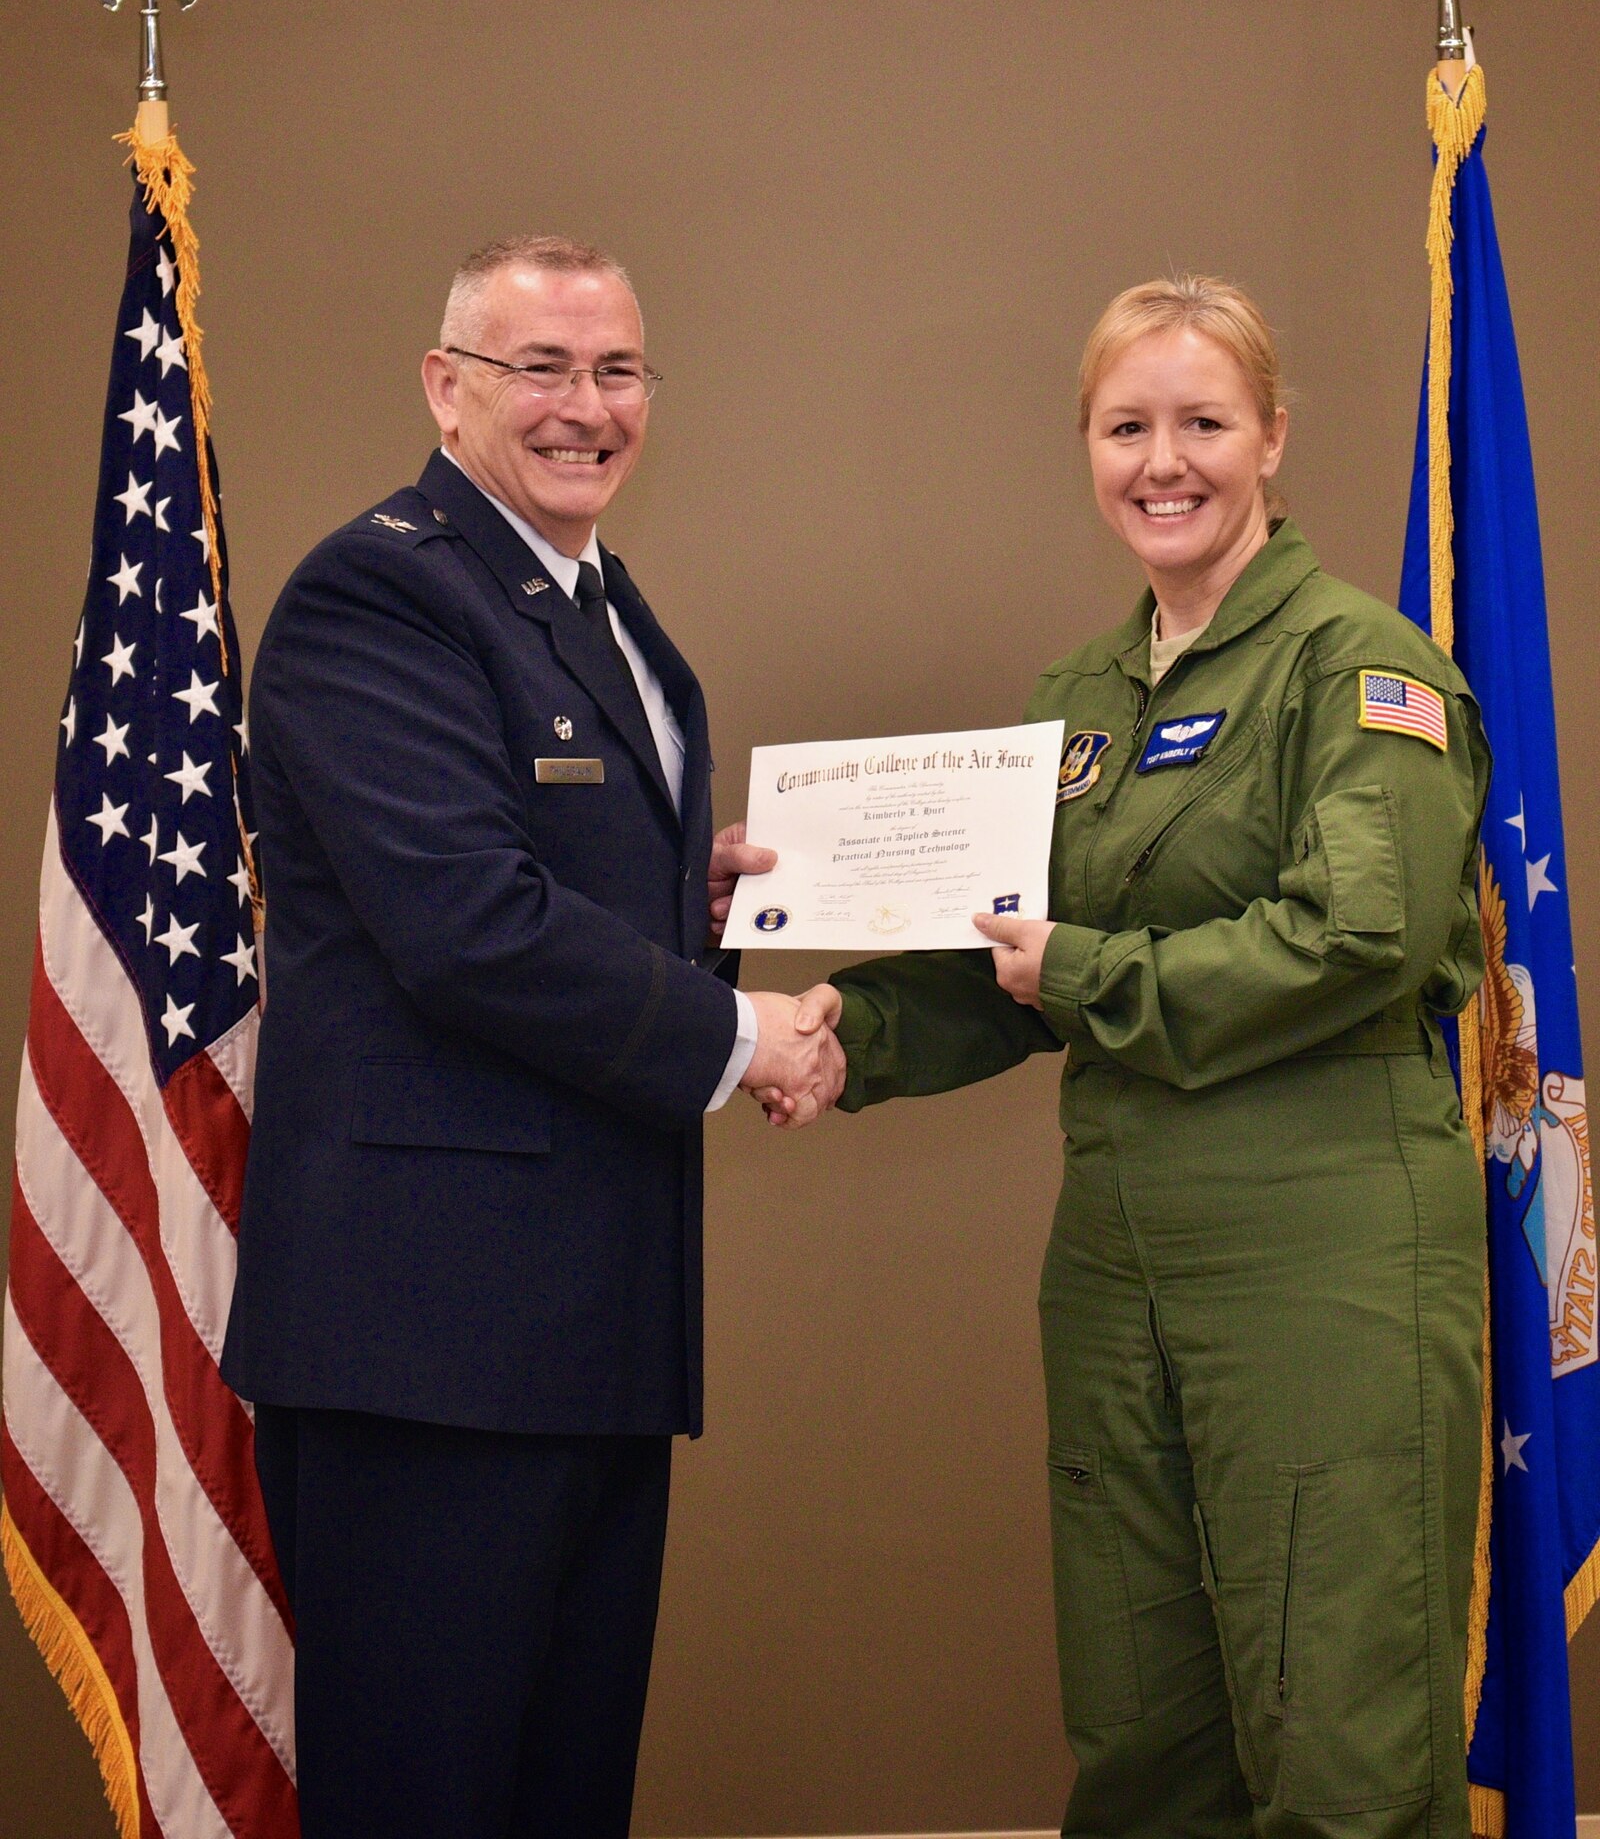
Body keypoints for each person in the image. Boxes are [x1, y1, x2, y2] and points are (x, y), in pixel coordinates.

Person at [773, 277, 1490, 1836]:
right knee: (1141, 1730)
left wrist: (1087, 969)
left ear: (1274, 439)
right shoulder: (1077, 704)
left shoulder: (1362, 671)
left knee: (1343, 1739)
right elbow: (1018, 963)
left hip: (1325, 1254)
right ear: (1089, 448)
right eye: (1127, 427)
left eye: (1204, 423)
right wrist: (853, 1031)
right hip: (1121, 1263)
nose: (1165, 462)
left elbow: (1355, 937)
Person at [221, 234, 843, 1839]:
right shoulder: (382, 588)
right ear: (446, 385)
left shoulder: (598, 600)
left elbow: (518, 875)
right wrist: (741, 1033)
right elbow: (466, 927)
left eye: (618, 368)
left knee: (558, 1802)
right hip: (428, 1347)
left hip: (582, 1334)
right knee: (430, 1801)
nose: (587, 407)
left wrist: (673, 892)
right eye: (540, 368)